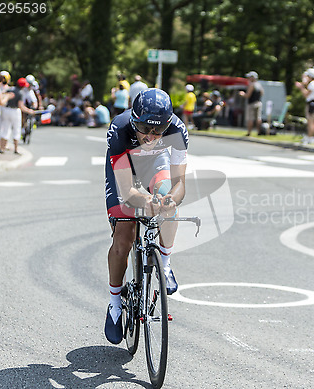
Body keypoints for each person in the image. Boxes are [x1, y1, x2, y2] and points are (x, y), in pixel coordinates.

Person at [104, 88, 188, 344]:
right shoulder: (119, 129)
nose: (150, 136)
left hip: (156, 164)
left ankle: (165, 264)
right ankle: (115, 305)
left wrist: (169, 199)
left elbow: (179, 183)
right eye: (143, 128)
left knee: (170, 205)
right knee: (124, 235)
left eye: (158, 130)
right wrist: (146, 201)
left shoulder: (177, 130)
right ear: (133, 120)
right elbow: (127, 191)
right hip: (125, 166)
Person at [0, 78, 35, 154]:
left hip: (6, 110)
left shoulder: (10, 89)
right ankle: (16, 148)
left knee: (5, 128)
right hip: (15, 111)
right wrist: (29, 111)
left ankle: (2, 147)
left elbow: (3, 95)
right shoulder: (20, 93)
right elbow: (21, 106)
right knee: (16, 129)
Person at [295, 68, 314, 144]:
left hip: (311, 103)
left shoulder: (312, 84)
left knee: (310, 121)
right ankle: (312, 136)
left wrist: (301, 88)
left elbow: (306, 94)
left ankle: (310, 137)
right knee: (312, 121)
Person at [240, 71, 263, 136]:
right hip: (258, 102)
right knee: (258, 118)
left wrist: (242, 94)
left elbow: (248, 95)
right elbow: (262, 93)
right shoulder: (259, 85)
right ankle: (259, 132)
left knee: (250, 118)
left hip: (252, 103)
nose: (248, 79)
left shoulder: (252, 85)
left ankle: (249, 132)